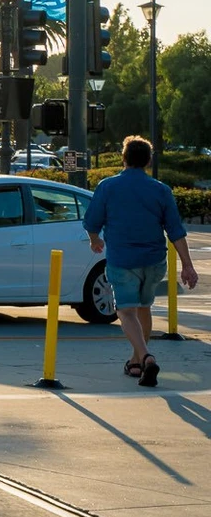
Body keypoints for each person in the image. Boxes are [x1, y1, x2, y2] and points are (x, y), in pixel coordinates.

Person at [84, 135, 198, 387]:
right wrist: (187, 265)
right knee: (144, 308)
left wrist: (94, 239)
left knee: (125, 310)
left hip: (123, 260)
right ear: (148, 161)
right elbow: (176, 231)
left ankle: (146, 357)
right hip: (154, 261)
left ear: (123, 158)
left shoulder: (107, 186)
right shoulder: (161, 190)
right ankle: (136, 362)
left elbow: (92, 221)